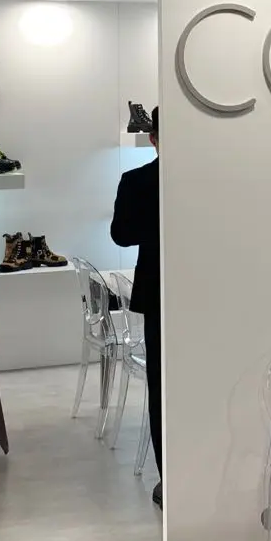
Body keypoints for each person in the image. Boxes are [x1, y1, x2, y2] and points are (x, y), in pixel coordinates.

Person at [111, 105, 161, 508]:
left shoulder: (137, 180)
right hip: (195, 291)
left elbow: (122, 235)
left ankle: (170, 476)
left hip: (159, 289)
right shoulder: (212, 181)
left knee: (162, 387)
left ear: (152, 138)